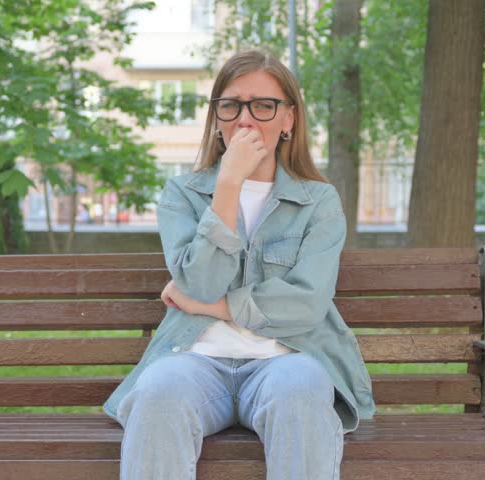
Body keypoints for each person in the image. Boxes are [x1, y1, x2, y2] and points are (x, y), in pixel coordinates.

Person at [102, 50, 375, 480]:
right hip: (193, 360)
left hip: (286, 358)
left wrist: (212, 308)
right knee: (156, 394)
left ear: (289, 119)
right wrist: (229, 183)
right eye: (230, 105)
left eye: (263, 106)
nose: (245, 119)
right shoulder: (182, 194)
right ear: (217, 118)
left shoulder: (318, 201)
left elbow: (306, 303)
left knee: (302, 393)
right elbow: (199, 280)